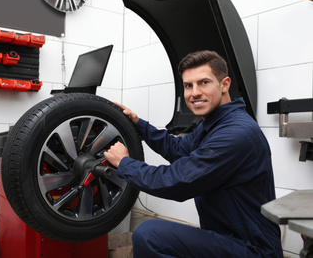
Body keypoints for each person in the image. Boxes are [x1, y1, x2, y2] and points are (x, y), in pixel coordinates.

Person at [104, 50, 283, 257]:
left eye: (204, 82)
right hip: (227, 239)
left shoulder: (235, 134)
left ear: (225, 85)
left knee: (148, 234)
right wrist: (139, 124)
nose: (194, 92)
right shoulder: (214, 123)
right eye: (188, 85)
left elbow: (177, 182)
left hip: (253, 250)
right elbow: (178, 149)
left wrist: (125, 163)